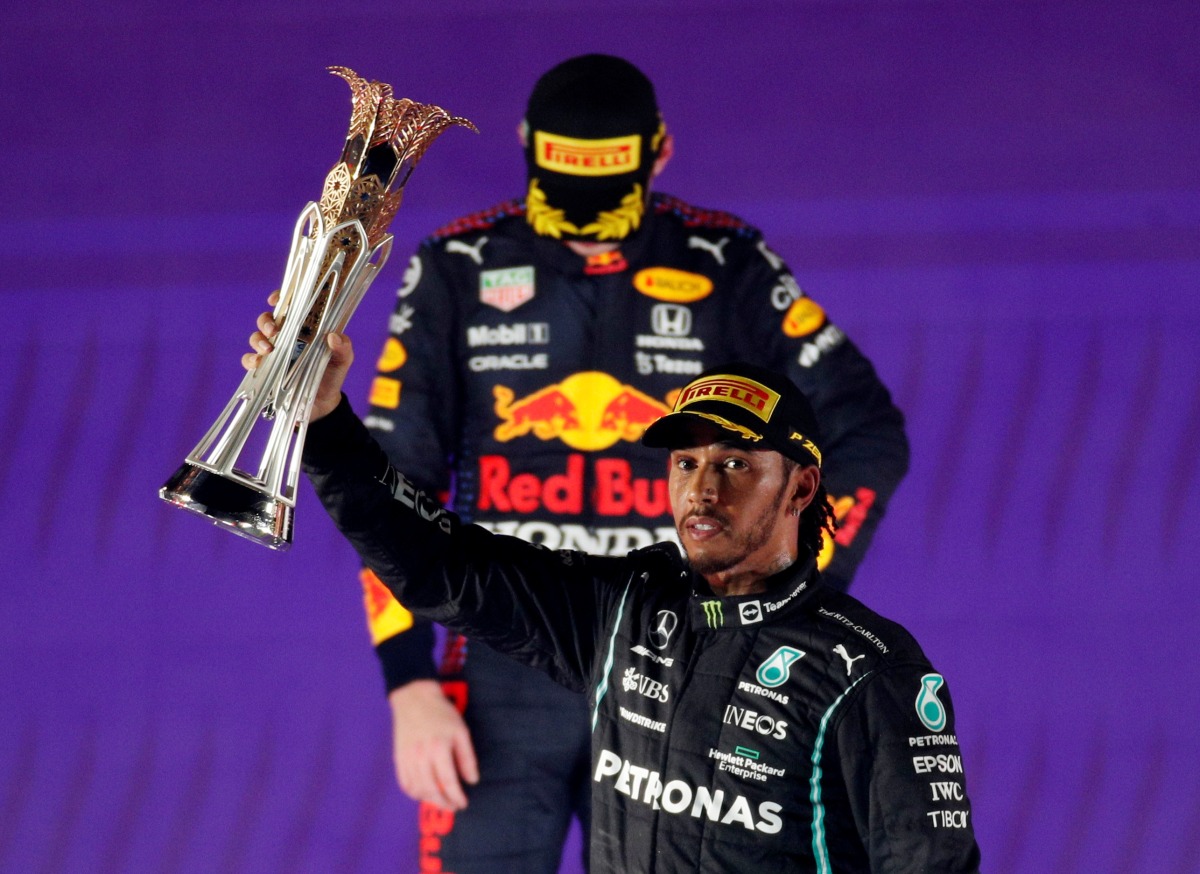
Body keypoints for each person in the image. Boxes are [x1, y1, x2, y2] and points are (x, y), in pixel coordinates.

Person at [355, 54, 910, 871]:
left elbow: (866, 434)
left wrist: (784, 592)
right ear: (525, 146)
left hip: (680, 656)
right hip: (503, 655)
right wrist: (407, 681)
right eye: (564, 186)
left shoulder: (727, 263)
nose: (585, 220)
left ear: (660, 152)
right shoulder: (455, 267)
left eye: (607, 189)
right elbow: (389, 487)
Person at [245, 317, 978, 870]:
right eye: (686, 462)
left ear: (802, 486)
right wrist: (326, 422)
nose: (702, 488)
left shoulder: (871, 671)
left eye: (734, 463)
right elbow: (442, 566)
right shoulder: (625, 605)